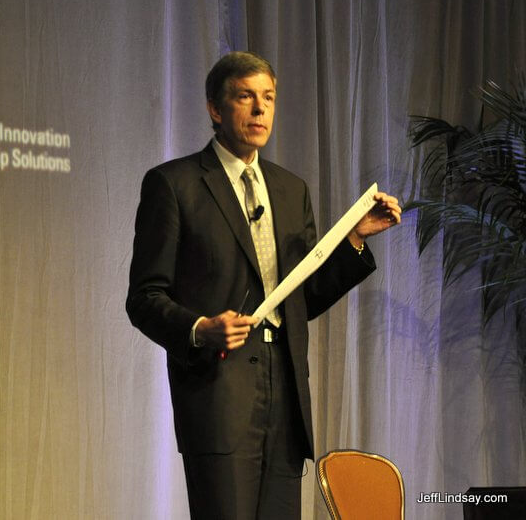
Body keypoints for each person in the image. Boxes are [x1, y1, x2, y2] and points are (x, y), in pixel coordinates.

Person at [125, 51, 401, 519]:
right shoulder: (175, 185)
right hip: (219, 391)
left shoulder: (292, 190)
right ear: (216, 108)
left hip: (285, 392)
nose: (259, 110)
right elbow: (144, 297)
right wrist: (198, 328)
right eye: (245, 97)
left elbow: (301, 300)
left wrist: (354, 239)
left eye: (268, 99)